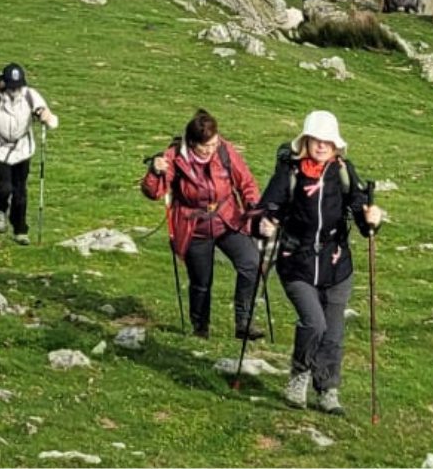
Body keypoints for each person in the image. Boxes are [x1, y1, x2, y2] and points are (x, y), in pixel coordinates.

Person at [256, 110, 386, 414]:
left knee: (333, 333)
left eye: (328, 141)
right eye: (316, 139)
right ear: (306, 141)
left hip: (336, 264)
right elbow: (266, 208)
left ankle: (327, 389)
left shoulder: (343, 171)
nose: (322, 145)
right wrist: (263, 223)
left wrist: (372, 220)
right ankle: (299, 375)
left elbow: (361, 213)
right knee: (314, 322)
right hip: (296, 262)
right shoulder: (289, 172)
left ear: (336, 145)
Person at [141, 108, 265, 340]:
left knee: (251, 263)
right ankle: (200, 330)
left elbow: (246, 182)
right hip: (193, 227)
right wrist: (155, 172)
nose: (210, 150)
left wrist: (254, 208)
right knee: (201, 282)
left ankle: (244, 322)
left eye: (213, 144)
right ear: (192, 142)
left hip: (228, 219)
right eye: (205, 146)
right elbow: (154, 193)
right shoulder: (173, 157)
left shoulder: (224, 150)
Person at [0, 63, 57, 244]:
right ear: (4, 83)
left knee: (20, 191)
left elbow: (49, 117)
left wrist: (46, 116)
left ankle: (20, 230)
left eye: (18, 86)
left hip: (23, 149)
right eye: (12, 86)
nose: (15, 90)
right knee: (4, 187)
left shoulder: (30, 95)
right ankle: (0, 209)